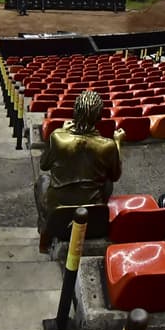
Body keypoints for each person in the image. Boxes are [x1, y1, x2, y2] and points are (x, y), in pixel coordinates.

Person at [34, 90, 123, 251]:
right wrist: (117, 143)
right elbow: (115, 175)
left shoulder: (58, 137)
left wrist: (62, 131)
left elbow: (44, 165)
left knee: (42, 180)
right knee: (108, 180)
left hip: (58, 212)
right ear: (99, 118)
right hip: (94, 214)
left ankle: (44, 228)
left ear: (75, 112)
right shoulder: (108, 145)